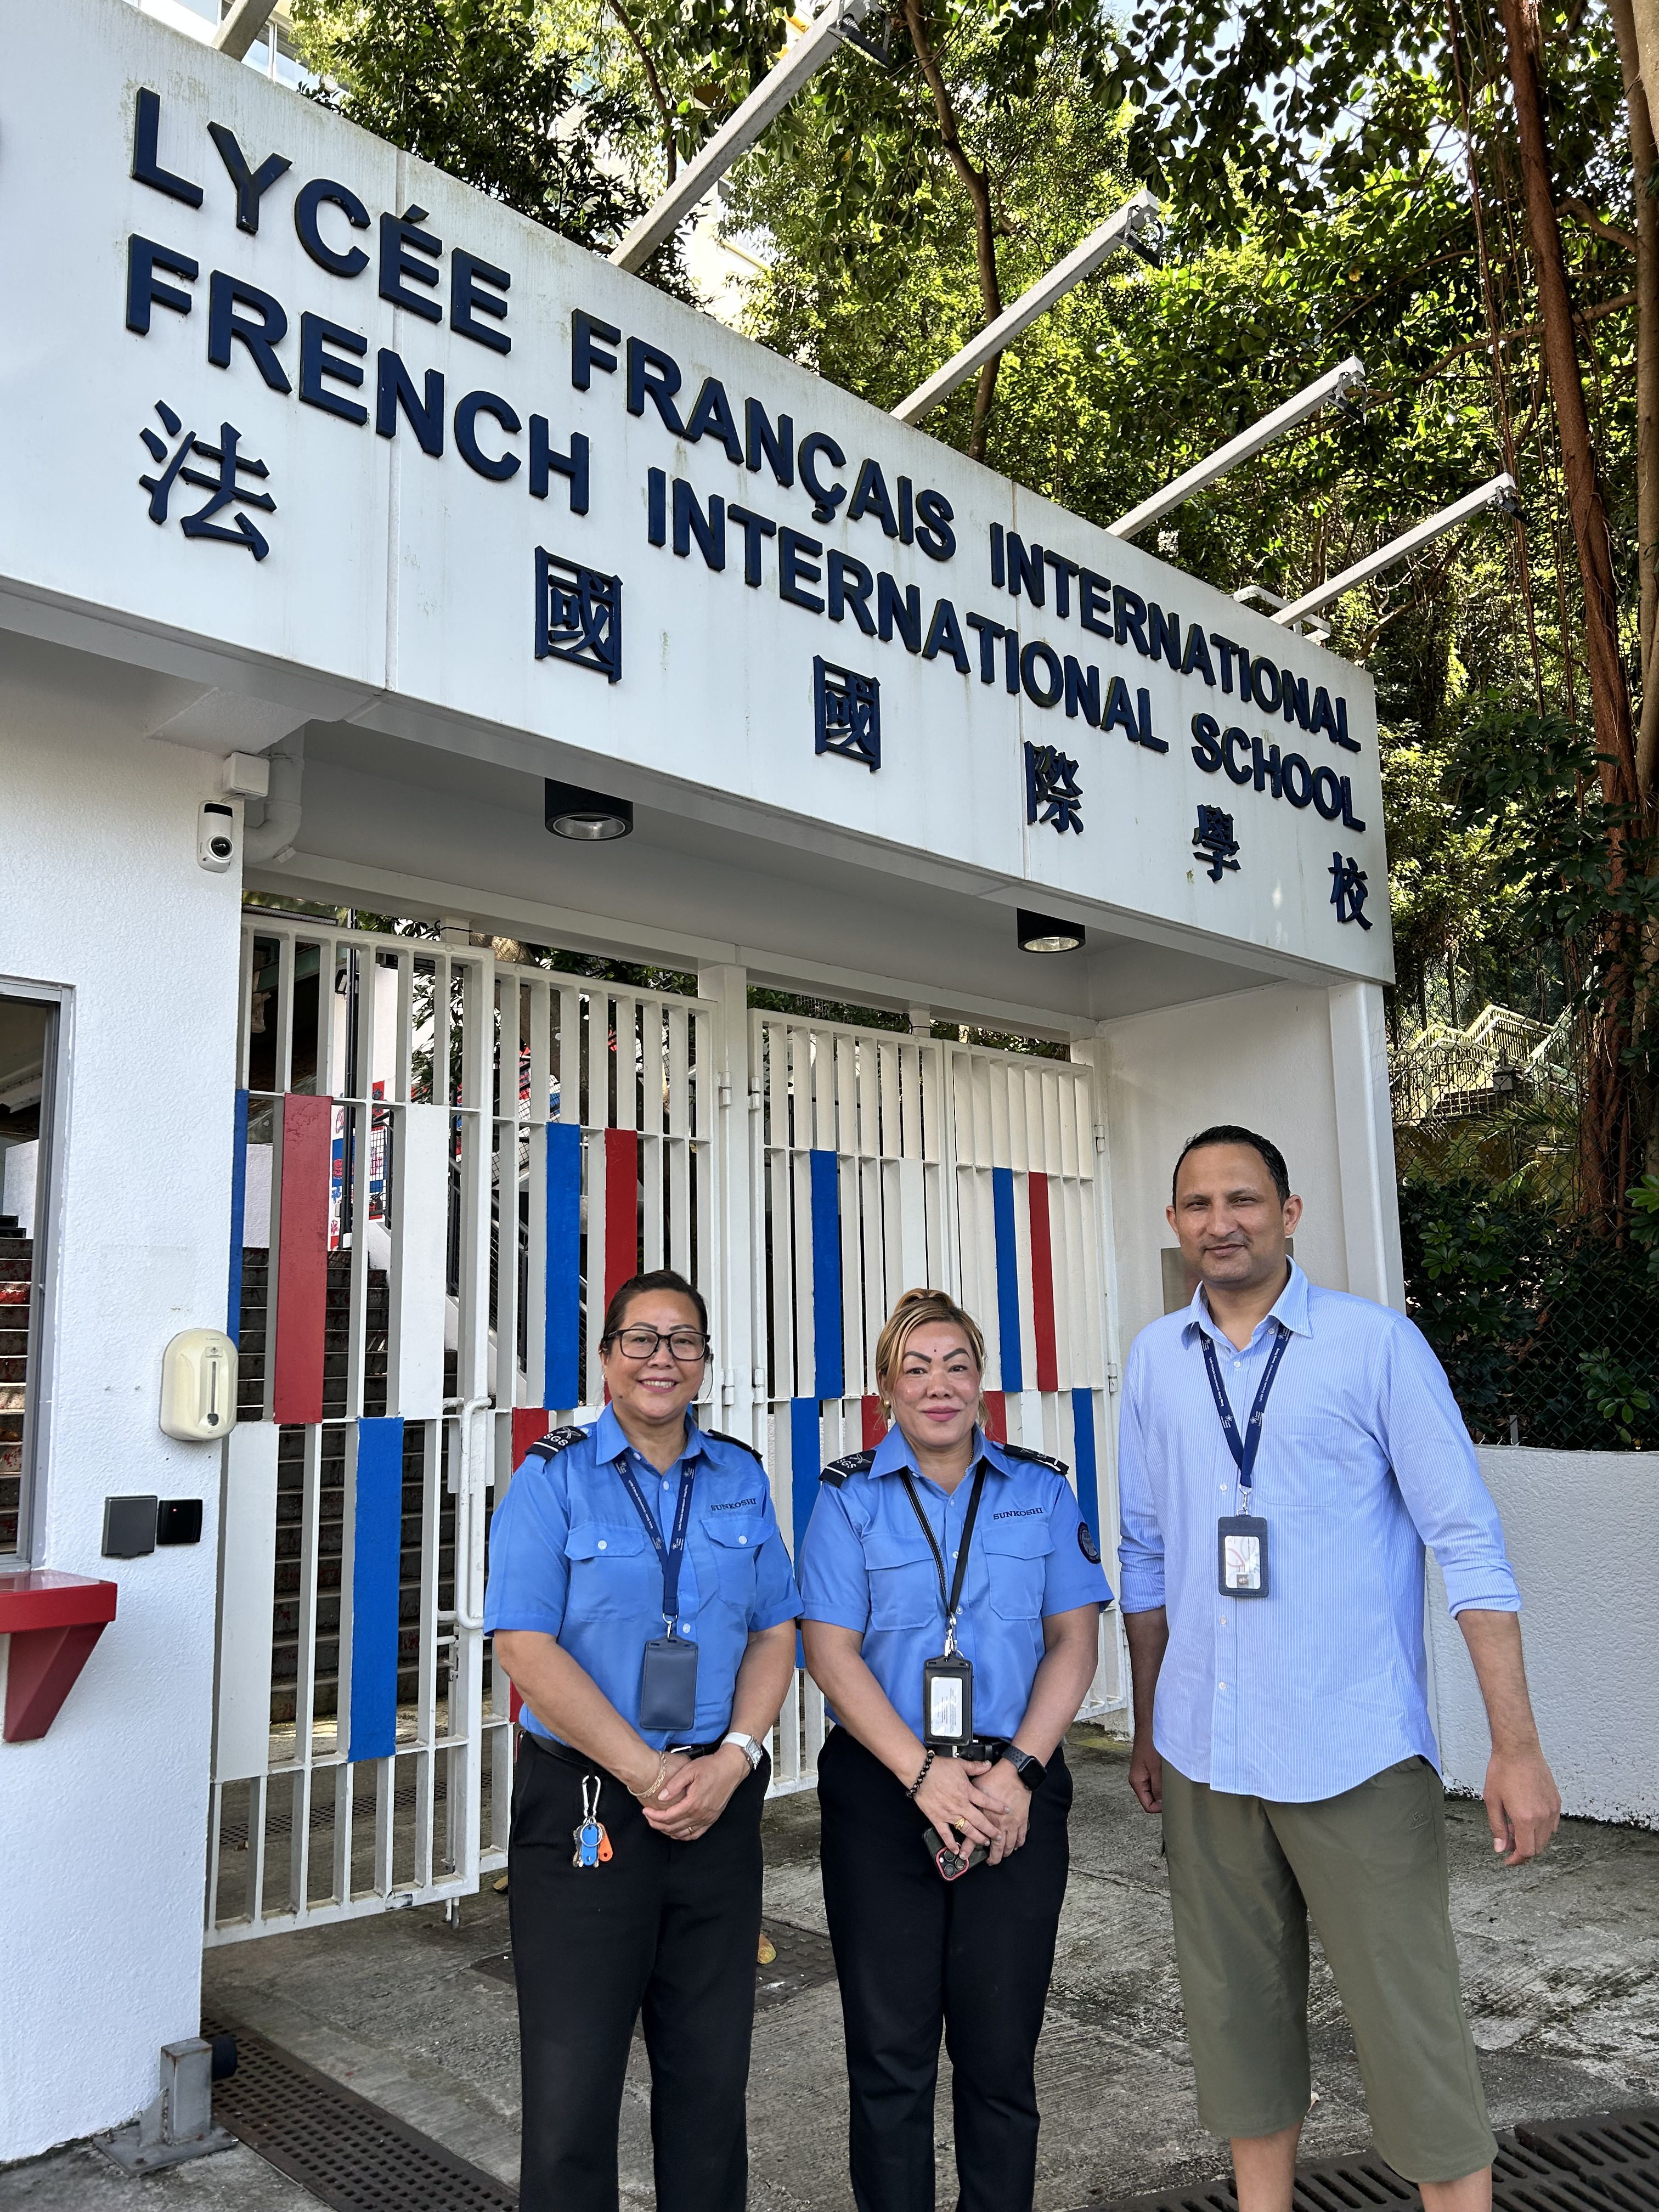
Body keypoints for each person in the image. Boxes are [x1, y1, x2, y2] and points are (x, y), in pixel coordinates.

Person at [1119, 1125, 1560, 2212]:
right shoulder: (1153, 1360)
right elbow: (1143, 1550)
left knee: (1414, 2040)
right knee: (1238, 2036)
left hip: (1351, 1754)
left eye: (1244, 1199)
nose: (1221, 1222)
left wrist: (1517, 1746)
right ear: (1175, 1226)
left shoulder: (1375, 1348)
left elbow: (1466, 1539)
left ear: (1290, 1212)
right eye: (1198, 1205)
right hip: (1204, 1757)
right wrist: (1145, 1723)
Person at [485, 1267, 802, 2212]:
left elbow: (777, 1627)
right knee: (573, 2088)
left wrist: (736, 1757)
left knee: (711, 2083)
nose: (663, 1359)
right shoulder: (551, 1478)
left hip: (717, 1806)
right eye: (642, 1339)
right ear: (608, 1357)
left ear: (704, 1362)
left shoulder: (740, 1475)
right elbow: (523, 1646)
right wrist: (650, 1772)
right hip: (588, 1807)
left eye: (684, 1342)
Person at [799, 1286, 1110, 2212]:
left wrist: (1018, 1774)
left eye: (957, 1366)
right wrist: (924, 1775)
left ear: (982, 1382)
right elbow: (828, 1650)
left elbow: (1074, 1640)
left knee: (1000, 2053)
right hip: (885, 1790)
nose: (939, 1386)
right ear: (886, 1389)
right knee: (890, 2060)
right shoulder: (847, 1498)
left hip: (1014, 1790)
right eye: (915, 1368)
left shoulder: (1041, 1491)